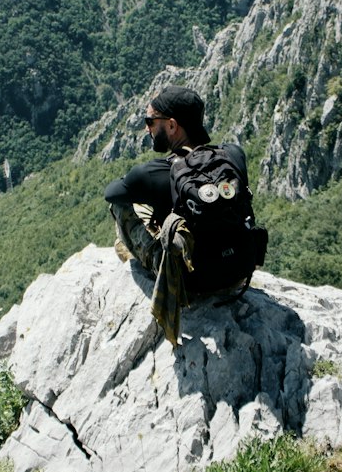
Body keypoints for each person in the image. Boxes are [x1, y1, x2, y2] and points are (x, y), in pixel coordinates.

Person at [104, 84, 253, 340]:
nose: (147, 129)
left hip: (192, 283)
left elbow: (112, 193)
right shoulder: (233, 155)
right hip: (238, 273)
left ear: (172, 126)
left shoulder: (153, 173)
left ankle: (128, 250)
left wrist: (144, 188)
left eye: (150, 121)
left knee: (123, 206)